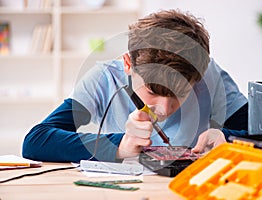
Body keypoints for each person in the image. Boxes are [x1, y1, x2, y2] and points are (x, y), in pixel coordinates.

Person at [22, 9, 248, 163]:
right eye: (152, 91)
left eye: (180, 93)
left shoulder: (209, 74)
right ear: (128, 64)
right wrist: (119, 146)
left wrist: (227, 139)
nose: (165, 109)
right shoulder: (104, 78)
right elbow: (36, 141)